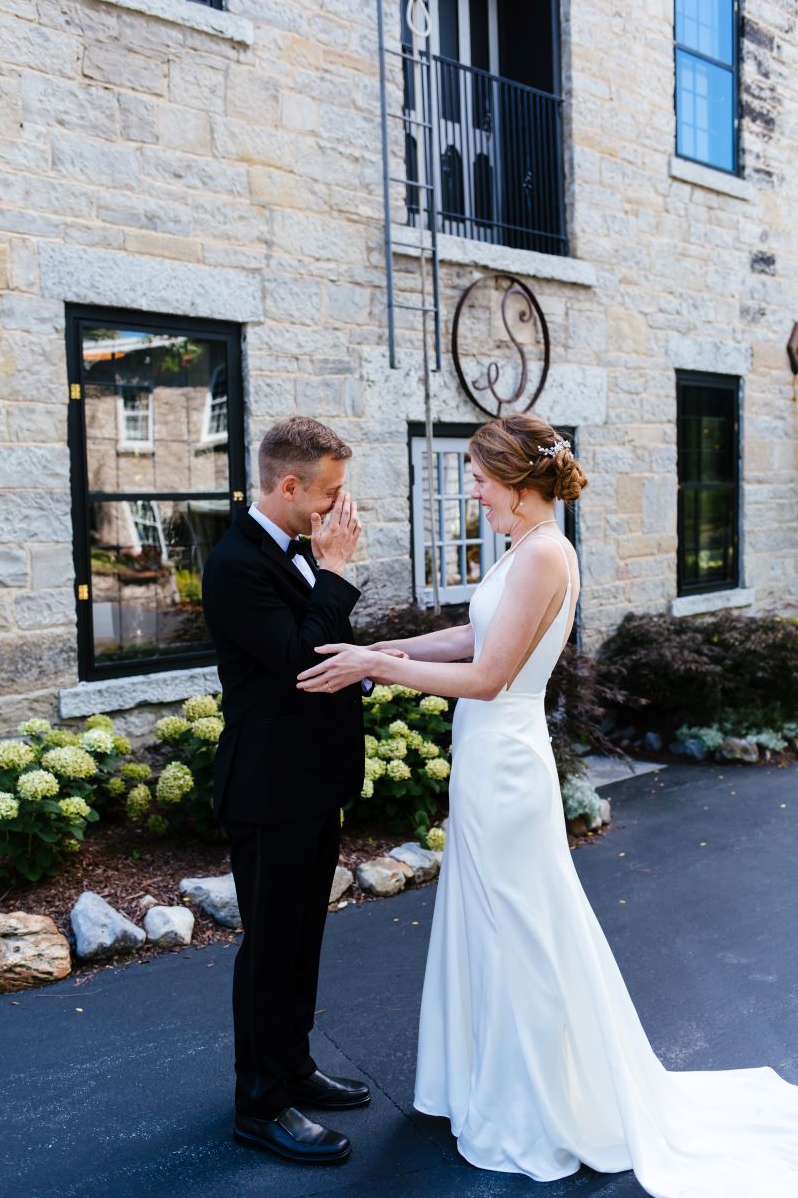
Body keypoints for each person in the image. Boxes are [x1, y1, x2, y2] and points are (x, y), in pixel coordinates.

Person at [297, 412, 798, 1196]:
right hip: (492, 759)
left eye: (479, 477)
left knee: (519, 931)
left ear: (520, 483)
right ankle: (488, 1083)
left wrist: (377, 667)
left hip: (507, 767)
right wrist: (390, 649)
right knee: (495, 921)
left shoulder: (542, 557)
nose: (472, 491)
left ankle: (535, 1104)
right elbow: (471, 634)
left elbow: (490, 677)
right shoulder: (528, 548)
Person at [202, 416, 378, 1167]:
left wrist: (373, 657)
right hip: (269, 786)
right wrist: (335, 573)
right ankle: (260, 1105)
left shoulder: (297, 550)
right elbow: (301, 660)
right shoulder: (236, 564)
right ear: (288, 485)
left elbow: (330, 647)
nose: (340, 508)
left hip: (313, 780)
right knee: (270, 947)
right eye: (331, 493)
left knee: (303, 939)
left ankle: (295, 1066)